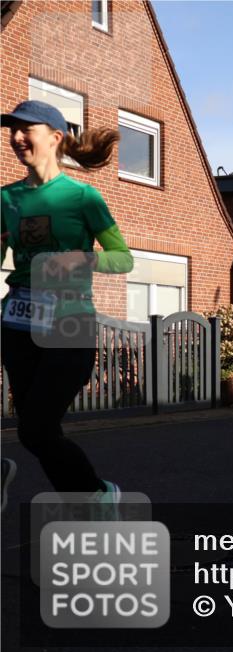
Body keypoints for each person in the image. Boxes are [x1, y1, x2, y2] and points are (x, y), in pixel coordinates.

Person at [1, 99, 134, 506]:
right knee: (32, 431)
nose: (16, 137)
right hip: (19, 322)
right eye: (12, 130)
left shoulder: (82, 197)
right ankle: (84, 501)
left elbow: (123, 257)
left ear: (55, 137)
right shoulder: (5, 199)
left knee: (38, 428)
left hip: (69, 322)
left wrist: (83, 258)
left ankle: (99, 495)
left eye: (27, 129)